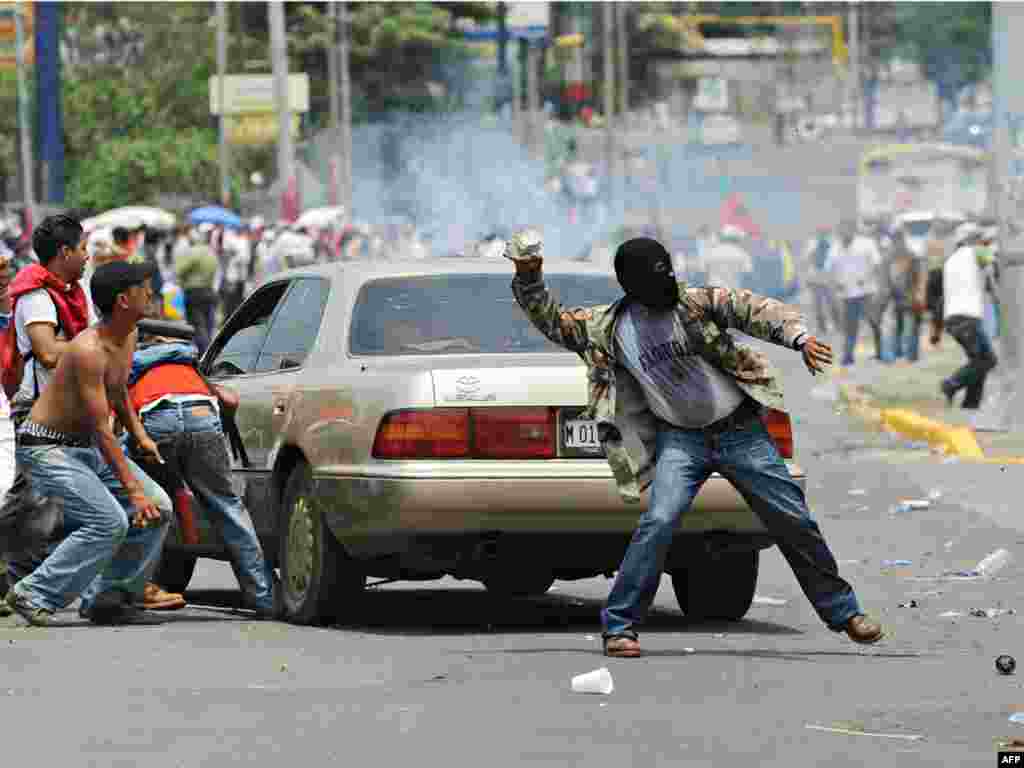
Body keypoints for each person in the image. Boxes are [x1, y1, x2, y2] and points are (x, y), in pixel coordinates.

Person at [505, 230, 884, 658]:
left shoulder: (698, 302)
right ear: (632, 288)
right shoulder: (606, 328)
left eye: (668, 277)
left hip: (739, 432)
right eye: (654, 284)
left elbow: (756, 310)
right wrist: (529, 276)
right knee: (659, 522)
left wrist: (798, 339)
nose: (666, 289)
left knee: (792, 517)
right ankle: (620, 627)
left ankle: (845, 612)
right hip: (680, 440)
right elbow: (550, 319)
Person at [4, 261, 173, 626]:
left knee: (159, 507)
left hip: (85, 448)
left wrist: (140, 433)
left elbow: (118, 391)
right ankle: (33, 592)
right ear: (124, 300)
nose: (152, 293)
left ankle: (108, 597)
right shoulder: (88, 350)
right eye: (145, 288)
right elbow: (102, 428)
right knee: (109, 520)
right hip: (47, 449)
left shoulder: (127, 335)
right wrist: (133, 490)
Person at [124, 325, 277, 617]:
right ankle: (264, 596)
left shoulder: (132, 365)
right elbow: (230, 400)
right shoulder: (188, 364)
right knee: (226, 505)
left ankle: (137, 588)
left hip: (155, 418)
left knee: (148, 502)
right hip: (201, 414)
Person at [938, 222, 998, 410]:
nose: (983, 241)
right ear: (971, 239)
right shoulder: (976, 252)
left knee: (977, 361)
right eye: (979, 238)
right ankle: (951, 383)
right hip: (968, 317)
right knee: (988, 360)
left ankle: (971, 404)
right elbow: (997, 262)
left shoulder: (951, 260)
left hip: (952, 318)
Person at [825, 220, 882, 366]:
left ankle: (880, 352)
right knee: (850, 326)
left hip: (867, 292)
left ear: (853, 230)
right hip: (847, 294)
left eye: (847, 230)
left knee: (873, 322)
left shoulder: (866, 243)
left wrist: (867, 277)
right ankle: (848, 356)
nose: (844, 233)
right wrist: (836, 284)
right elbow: (829, 268)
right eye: (842, 230)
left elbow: (877, 264)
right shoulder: (835, 247)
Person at [175, 227, 219, 355]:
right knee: (208, 326)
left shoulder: (191, 253)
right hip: (209, 291)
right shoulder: (211, 253)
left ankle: (203, 354)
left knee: (198, 327)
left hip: (194, 293)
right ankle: (210, 352)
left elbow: (179, 271)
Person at [886, 226, 924, 363]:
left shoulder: (907, 255)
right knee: (903, 326)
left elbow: (918, 275)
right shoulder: (897, 255)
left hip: (907, 296)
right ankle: (904, 354)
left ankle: (906, 354)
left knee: (906, 326)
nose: (896, 242)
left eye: (896, 239)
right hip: (902, 296)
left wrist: (918, 292)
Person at [803, 225, 837, 335]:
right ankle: (823, 327)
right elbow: (807, 260)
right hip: (817, 278)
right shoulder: (813, 243)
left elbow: (807, 260)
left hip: (825, 277)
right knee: (820, 304)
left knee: (829, 302)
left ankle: (833, 325)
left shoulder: (831, 243)